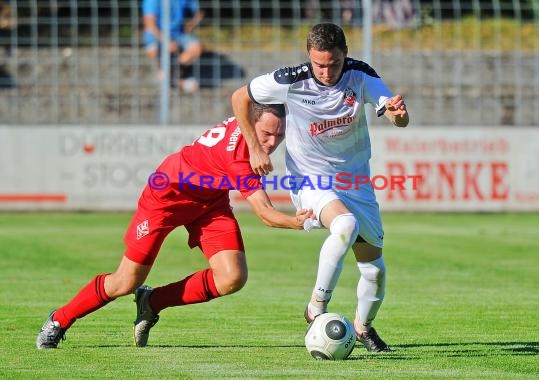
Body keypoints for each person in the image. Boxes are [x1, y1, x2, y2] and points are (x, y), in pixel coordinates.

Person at [36, 103, 314, 349]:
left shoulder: (247, 117)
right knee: (126, 281)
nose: (272, 142)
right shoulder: (239, 159)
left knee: (232, 277)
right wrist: (298, 222)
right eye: (266, 134)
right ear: (251, 124)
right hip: (166, 198)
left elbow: (243, 94)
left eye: (279, 135)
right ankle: (59, 319)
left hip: (209, 202)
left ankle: (152, 302)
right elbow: (265, 213)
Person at [231, 23, 409, 353]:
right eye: (319, 64)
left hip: (355, 180)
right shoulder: (290, 79)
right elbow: (239, 97)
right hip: (310, 178)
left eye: (334, 63)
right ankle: (316, 307)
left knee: (374, 270)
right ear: (309, 57)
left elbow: (397, 116)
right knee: (345, 224)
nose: (326, 72)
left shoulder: (361, 76)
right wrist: (254, 146)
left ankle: (362, 329)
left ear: (346, 55)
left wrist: (399, 114)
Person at [142, 0, 205, 92]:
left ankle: (169, 76)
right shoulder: (152, 1)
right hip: (156, 37)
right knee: (154, 51)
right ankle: (178, 82)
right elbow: (150, 25)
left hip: (178, 35)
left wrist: (191, 25)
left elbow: (200, 13)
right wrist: (166, 41)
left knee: (196, 48)